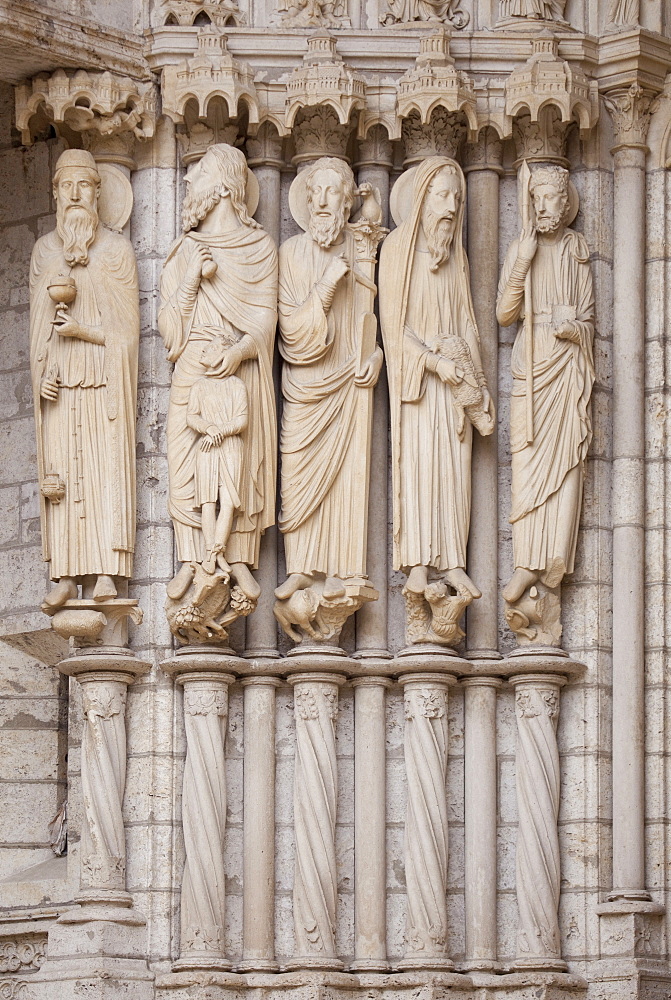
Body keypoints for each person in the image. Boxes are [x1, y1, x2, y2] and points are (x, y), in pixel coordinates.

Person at [158, 143, 277, 604]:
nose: (188, 181)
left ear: (226, 184)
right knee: (188, 465)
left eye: (200, 172)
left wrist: (242, 350)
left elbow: (266, 320)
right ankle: (192, 560)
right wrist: (191, 278)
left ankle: (240, 559)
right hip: (192, 369)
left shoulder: (260, 247)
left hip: (238, 370)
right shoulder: (184, 250)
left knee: (237, 468)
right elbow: (169, 330)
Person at [379, 156, 494, 605]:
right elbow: (394, 330)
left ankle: (454, 562)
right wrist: (433, 363)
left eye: (457, 198)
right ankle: (419, 566)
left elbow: (467, 322)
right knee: (422, 470)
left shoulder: (456, 259)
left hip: (453, 388)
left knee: (455, 474)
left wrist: (477, 382)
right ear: (421, 198)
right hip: (420, 388)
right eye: (442, 195)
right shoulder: (397, 254)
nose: (450, 206)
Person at [30, 149, 139, 609]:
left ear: (98, 193)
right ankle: (64, 572)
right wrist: (40, 379)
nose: (75, 195)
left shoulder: (117, 251)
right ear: (55, 194)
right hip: (62, 387)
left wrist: (81, 330)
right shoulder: (43, 252)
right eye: (66, 187)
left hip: (103, 385)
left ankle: (105, 570)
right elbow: (36, 332)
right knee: (65, 474)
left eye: (84, 186)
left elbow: (127, 332)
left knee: (100, 471)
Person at [275, 156, 382, 603]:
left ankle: (345, 570)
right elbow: (289, 329)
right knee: (297, 473)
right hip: (306, 385)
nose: (321, 201)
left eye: (332, 192)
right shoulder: (291, 254)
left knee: (349, 474)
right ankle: (300, 569)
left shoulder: (360, 251)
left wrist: (375, 357)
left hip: (349, 384)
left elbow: (374, 320)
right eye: (314, 192)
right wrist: (325, 288)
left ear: (346, 201)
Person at [496, 164, 595, 605]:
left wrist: (574, 329)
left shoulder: (576, 250)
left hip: (565, 373)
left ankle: (551, 559)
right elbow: (503, 313)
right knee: (526, 466)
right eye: (534, 198)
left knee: (564, 463)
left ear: (565, 203)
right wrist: (522, 261)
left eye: (549, 198)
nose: (541, 206)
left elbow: (590, 320)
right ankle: (524, 563)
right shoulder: (524, 246)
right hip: (530, 370)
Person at [187, 329, 248, 576]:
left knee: (228, 502)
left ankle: (217, 553)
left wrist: (221, 430)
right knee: (208, 502)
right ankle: (208, 554)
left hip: (230, 446)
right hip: (207, 447)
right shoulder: (200, 386)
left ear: (223, 353)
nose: (204, 350)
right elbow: (192, 415)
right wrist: (208, 428)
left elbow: (242, 418)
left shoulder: (236, 385)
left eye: (210, 347)